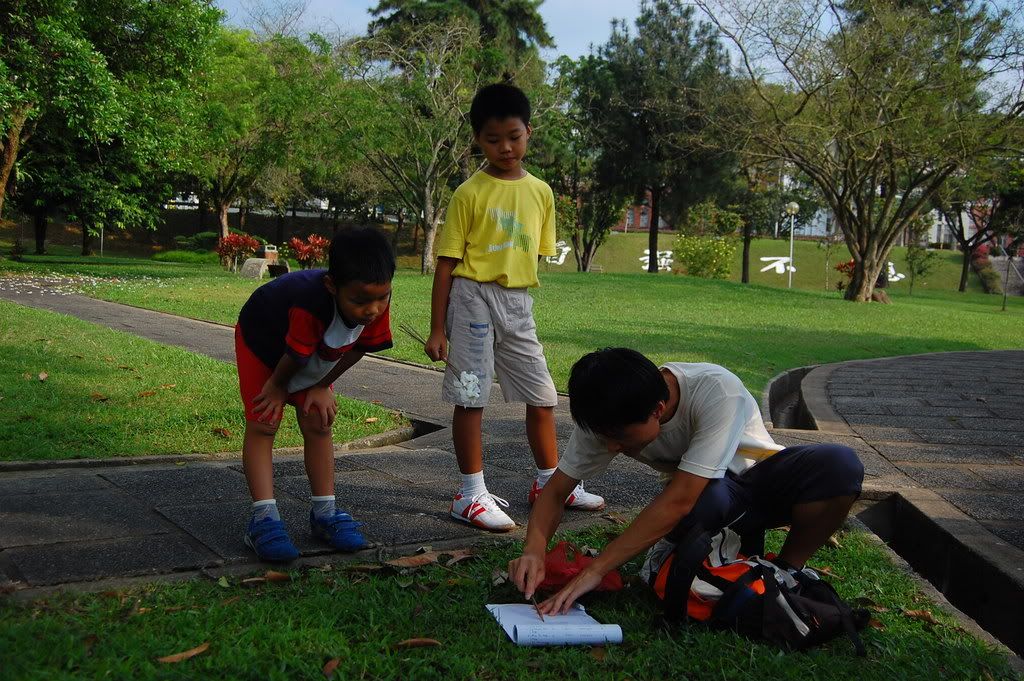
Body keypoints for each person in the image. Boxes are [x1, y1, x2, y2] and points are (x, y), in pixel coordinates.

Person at [509, 348, 864, 614]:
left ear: (658, 411)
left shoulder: (716, 390)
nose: (612, 447)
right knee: (706, 499)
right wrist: (534, 551)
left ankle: (788, 570)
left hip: (759, 483)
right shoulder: (608, 419)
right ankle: (712, 554)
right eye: (605, 437)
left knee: (840, 464)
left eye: (620, 437)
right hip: (711, 502)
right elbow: (554, 492)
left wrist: (597, 569)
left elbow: (680, 499)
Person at [423, 83, 605, 532]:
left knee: (542, 395)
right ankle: (470, 496)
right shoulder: (469, 193)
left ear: (528, 132)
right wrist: (437, 329)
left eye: (514, 136)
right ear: (477, 140)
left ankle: (549, 482)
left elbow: (534, 253)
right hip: (472, 298)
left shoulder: (541, 192)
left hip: (519, 302)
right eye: (492, 139)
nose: (505, 147)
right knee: (471, 397)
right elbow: (445, 266)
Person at [235, 227, 395, 561]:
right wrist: (277, 388)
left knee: (318, 421)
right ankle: (263, 519)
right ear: (332, 287)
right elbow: (294, 355)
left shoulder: (376, 302)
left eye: (382, 297)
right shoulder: (310, 303)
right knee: (264, 421)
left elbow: (360, 348)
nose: (373, 310)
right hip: (263, 341)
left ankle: (324, 513)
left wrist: (321, 385)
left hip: (308, 350)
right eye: (361, 301)